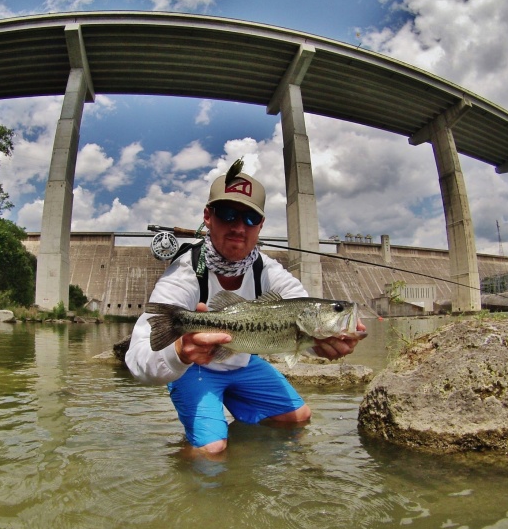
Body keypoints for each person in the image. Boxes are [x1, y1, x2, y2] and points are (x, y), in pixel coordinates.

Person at [125, 163, 366, 455]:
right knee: (212, 449)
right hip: (194, 369)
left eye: (250, 218)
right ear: (208, 217)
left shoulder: (269, 271)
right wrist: (179, 352)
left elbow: (303, 326)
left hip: (242, 360)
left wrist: (326, 343)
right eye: (227, 214)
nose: (239, 227)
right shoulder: (185, 273)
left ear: (261, 225)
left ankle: (244, 458)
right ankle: (193, 458)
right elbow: (139, 359)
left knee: (297, 418)